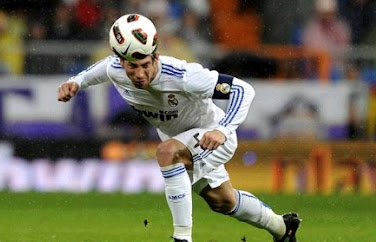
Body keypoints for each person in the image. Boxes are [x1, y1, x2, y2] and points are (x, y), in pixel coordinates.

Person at [57, 14, 301, 242]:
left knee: (167, 152)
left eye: (144, 64)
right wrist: (76, 82)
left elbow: (242, 90)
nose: (140, 74)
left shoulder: (183, 75)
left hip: (211, 134)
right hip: (182, 139)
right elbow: (104, 68)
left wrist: (223, 129)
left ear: (155, 56)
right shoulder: (117, 68)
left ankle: (182, 238)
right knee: (223, 201)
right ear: (122, 62)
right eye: (132, 67)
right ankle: (282, 228)